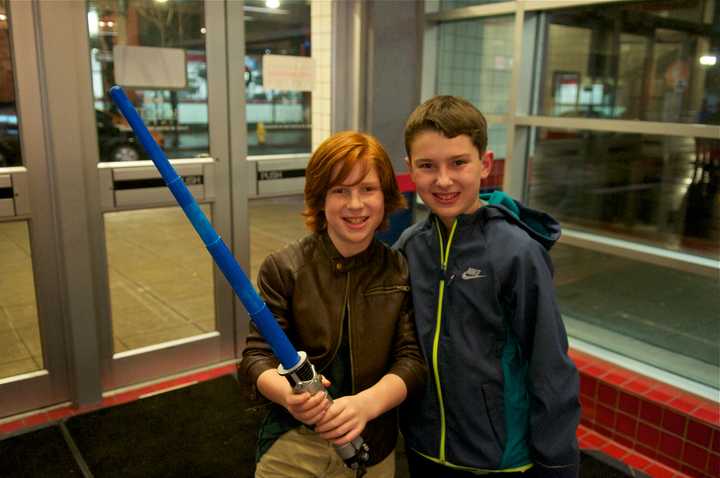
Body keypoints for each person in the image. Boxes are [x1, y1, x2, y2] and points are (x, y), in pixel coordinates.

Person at [395, 96, 581, 477]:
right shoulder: (410, 249)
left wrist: (557, 462)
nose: (443, 180)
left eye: (458, 162)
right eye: (428, 166)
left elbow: (550, 366)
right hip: (425, 448)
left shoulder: (517, 253)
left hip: (499, 460)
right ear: (410, 169)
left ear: (486, 164)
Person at [241, 131, 427, 477]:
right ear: (320, 198)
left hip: (372, 440)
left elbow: (412, 360)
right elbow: (256, 358)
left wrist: (364, 406)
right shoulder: (284, 268)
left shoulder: (399, 269)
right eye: (340, 190)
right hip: (293, 442)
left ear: (385, 197)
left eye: (367, 189)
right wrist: (288, 397)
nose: (355, 204)